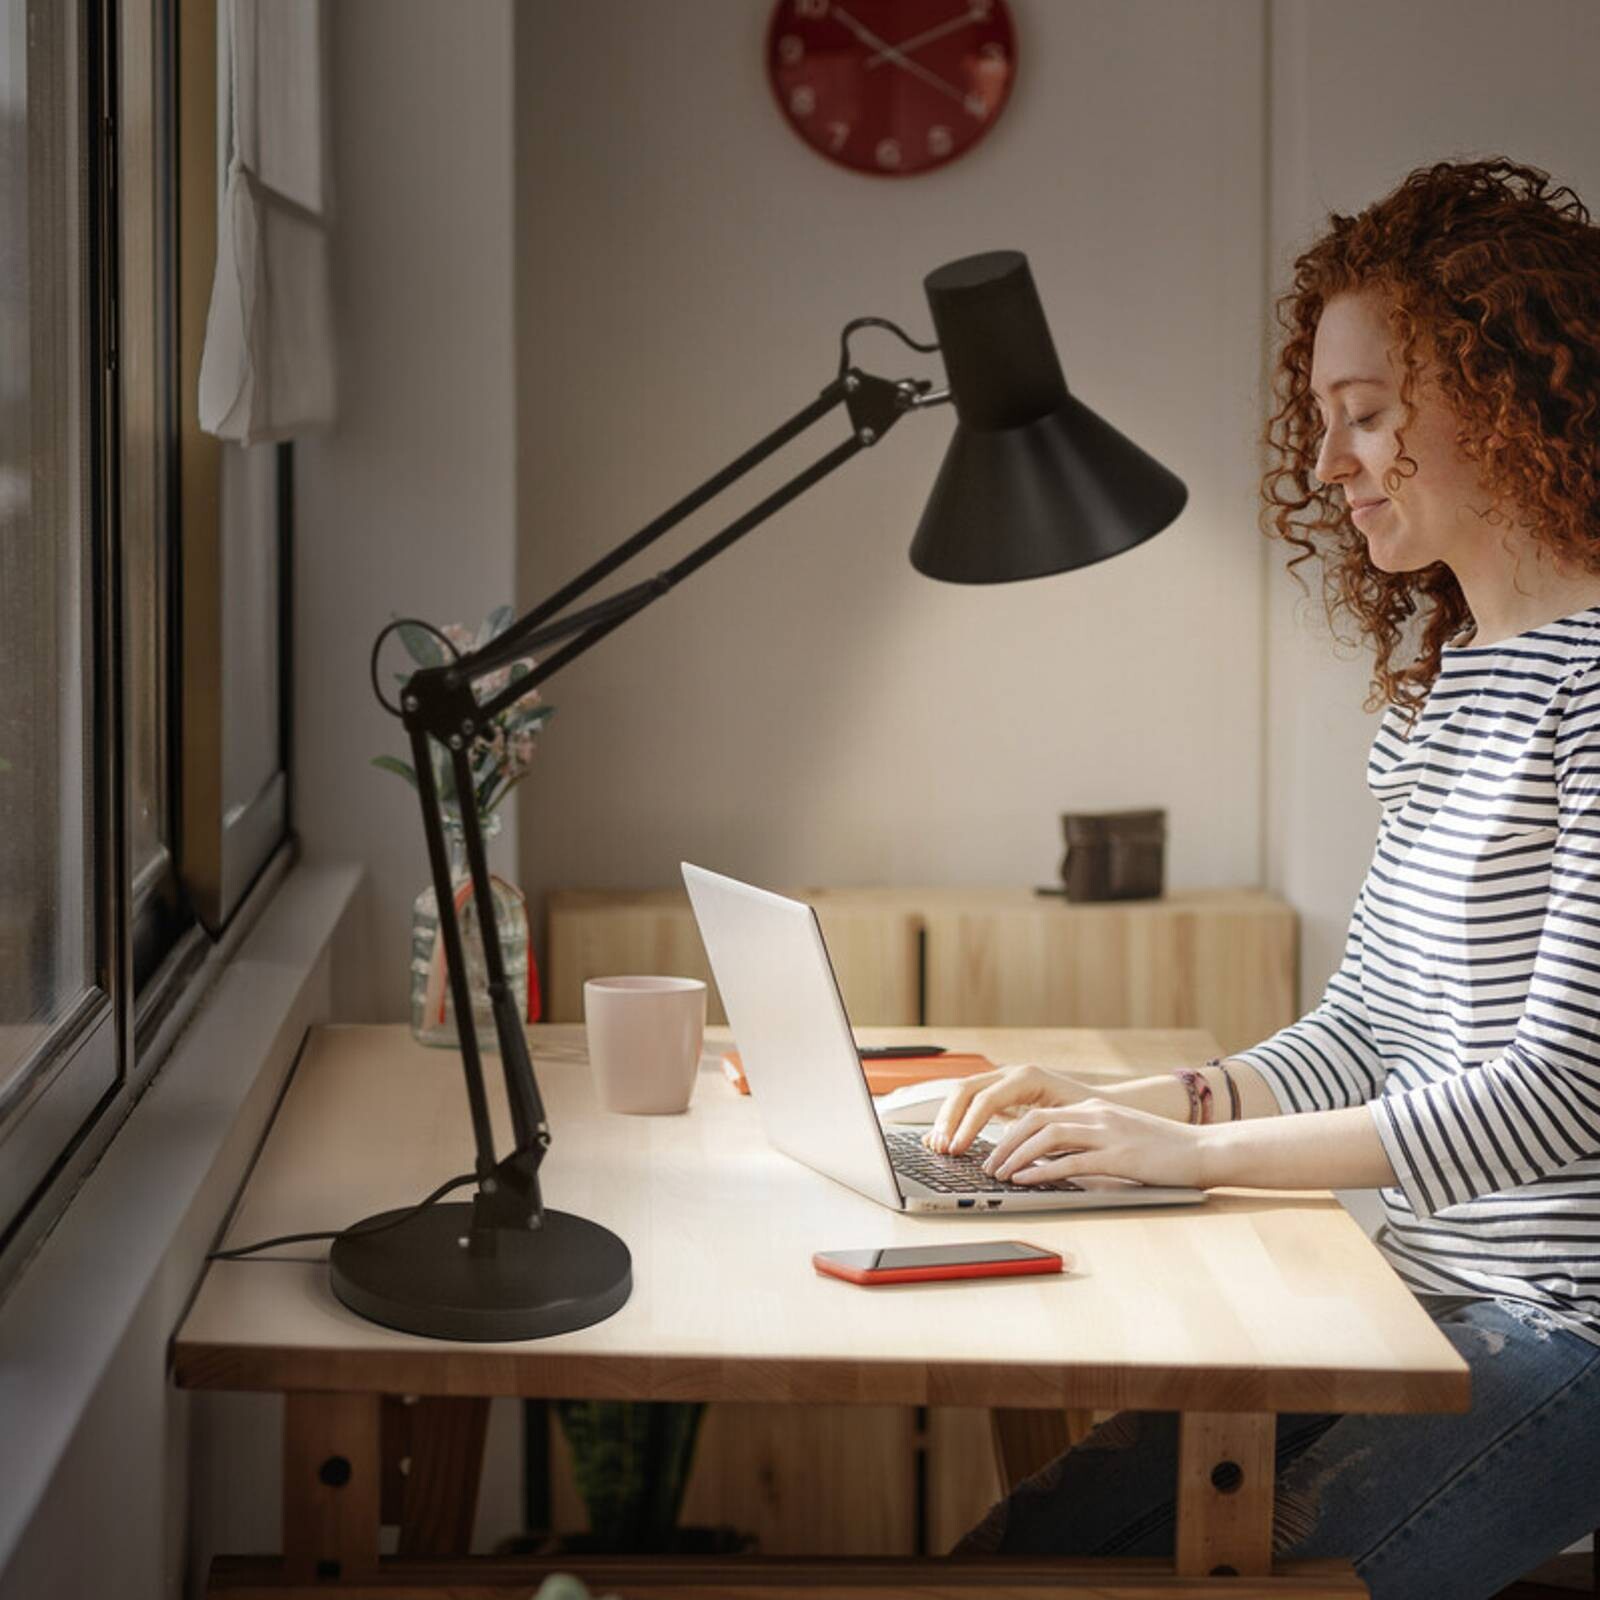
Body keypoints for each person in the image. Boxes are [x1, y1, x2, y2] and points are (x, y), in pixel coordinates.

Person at [928, 158, 1600, 1599]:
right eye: (1325, 423)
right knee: (1008, 1561)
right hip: (1422, 1292)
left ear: (1506, 395)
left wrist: (1200, 1160)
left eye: (1367, 417)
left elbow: (1568, 1087)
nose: (1328, 466)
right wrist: (1138, 1109)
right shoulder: (1455, 687)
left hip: (1571, 1330)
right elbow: (1365, 1030)